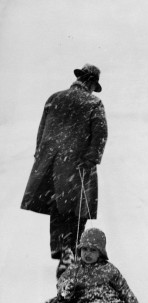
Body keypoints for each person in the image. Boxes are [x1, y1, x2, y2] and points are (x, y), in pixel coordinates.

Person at [21, 64, 108, 263]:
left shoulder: (54, 98)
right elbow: (100, 135)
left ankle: (60, 249)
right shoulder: (94, 103)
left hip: (52, 164)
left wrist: (40, 156)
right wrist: (92, 159)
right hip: (79, 165)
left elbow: (42, 131)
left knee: (58, 207)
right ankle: (74, 249)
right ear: (92, 83)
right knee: (79, 210)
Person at [56, 228, 143, 303]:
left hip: (107, 302)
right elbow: (61, 283)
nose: (87, 253)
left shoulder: (109, 269)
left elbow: (123, 289)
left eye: (93, 250)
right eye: (85, 249)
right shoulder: (74, 268)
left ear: (100, 253)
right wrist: (66, 288)